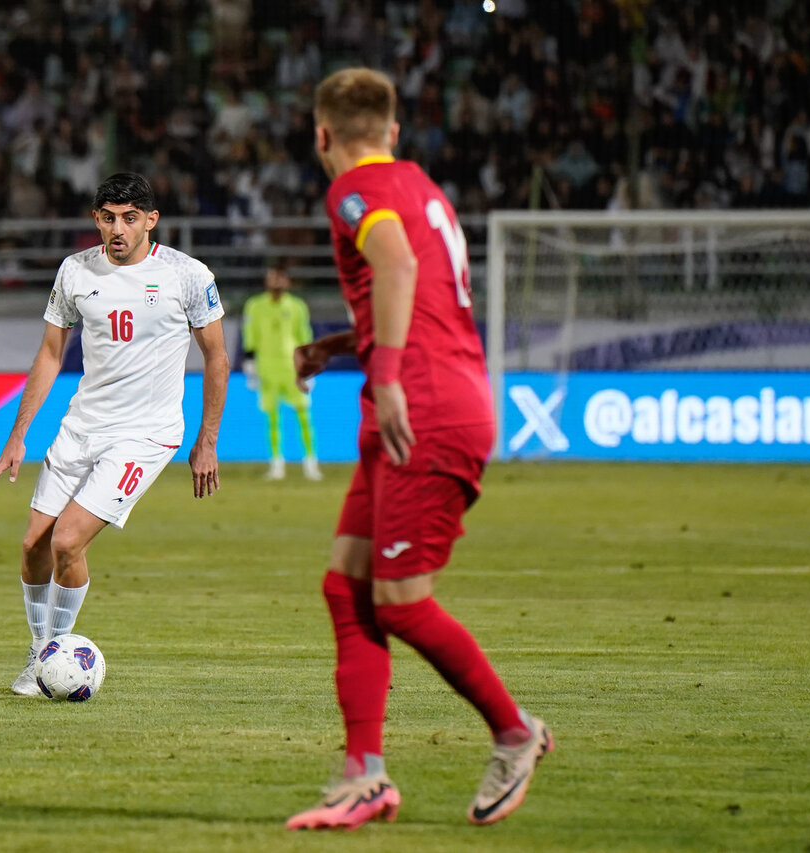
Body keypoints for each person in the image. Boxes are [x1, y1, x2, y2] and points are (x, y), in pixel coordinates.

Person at [285, 69, 551, 831]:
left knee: (400, 602)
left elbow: (397, 264)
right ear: (394, 130)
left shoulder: (352, 191)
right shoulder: (421, 185)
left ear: (321, 134)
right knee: (348, 586)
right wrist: (342, 347)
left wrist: (391, 376)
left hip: (423, 407)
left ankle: (514, 732)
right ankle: (364, 773)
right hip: (428, 393)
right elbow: (420, 290)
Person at [0, 172, 229, 696]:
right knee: (34, 546)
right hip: (82, 427)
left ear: (151, 220)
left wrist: (206, 440)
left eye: (129, 218)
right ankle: (40, 654)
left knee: (68, 542)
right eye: (107, 218)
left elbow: (216, 357)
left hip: (145, 435)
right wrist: (17, 435)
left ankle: (57, 652)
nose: (117, 229)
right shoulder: (75, 270)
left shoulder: (186, 276)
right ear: (95, 218)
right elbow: (51, 355)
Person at [241, 262, 321, 481]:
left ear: (287, 281)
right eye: (272, 277)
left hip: (291, 367)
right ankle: (277, 463)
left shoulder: (297, 306)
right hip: (266, 367)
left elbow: (304, 336)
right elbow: (250, 333)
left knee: (303, 414)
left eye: (279, 277)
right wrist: (250, 364)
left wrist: (309, 366)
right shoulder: (255, 306)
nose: (275, 281)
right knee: (272, 417)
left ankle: (310, 462)